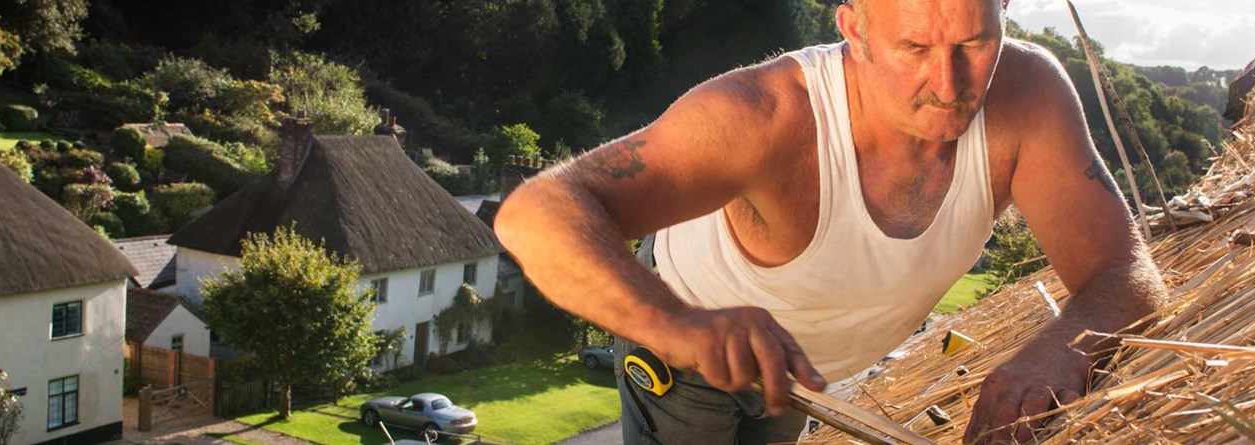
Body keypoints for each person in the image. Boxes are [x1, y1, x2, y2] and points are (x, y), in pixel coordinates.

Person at [494, 0, 1167, 443]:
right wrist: (675, 324)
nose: (949, 81)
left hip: (802, 372)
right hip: (686, 342)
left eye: (974, 40)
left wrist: (1056, 349)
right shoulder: (762, 116)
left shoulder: (1030, 97)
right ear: (855, 30)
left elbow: (1124, 268)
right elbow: (535, 213)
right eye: (913, 48)